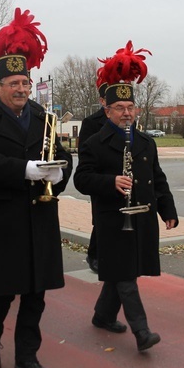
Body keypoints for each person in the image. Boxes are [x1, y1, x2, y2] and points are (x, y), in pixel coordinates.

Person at [0, 8, 72, 368]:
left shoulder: (44, 117)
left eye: (25, 83)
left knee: (36, 295)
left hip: (40, 217)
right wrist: (22, 170)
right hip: (4, 219)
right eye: (13, 84)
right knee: (2, 294)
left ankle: (27, 354)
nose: (22, 90)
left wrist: (59, 173)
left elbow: (62, 156)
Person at [74, 41, 177, 352]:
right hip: (112, 219)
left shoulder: (147, 142)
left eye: (130, 107)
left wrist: (167, 208)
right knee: (125, 275)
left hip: (142, 216)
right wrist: (110, 182)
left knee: (124, 271)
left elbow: (158, 178)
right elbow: (81, 179)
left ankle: (103, 315)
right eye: (119, 108)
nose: (126, 113)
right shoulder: (94, 142)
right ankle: (142, 331)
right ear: (107, 111)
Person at [77, 78, 108, 273]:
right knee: (100, 217)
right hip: (99, 177)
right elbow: (84, 152)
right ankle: (94, 254)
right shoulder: (91, 122)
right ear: (102, 101)